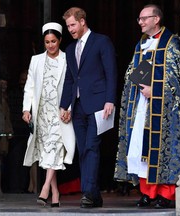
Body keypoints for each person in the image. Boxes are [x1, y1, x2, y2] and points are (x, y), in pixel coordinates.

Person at [114, 4, 180, 209]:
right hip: (141, 105)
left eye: (144, 18)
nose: (141, 22)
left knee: (161, 149)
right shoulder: (141, 44)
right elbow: (131, 74)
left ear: (156, 19)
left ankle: (165, 194)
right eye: (139, 19)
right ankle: (147, 192)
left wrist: (156, 92)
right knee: (140, 149)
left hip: (162, 107)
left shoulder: (172, 44)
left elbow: (177, 79)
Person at [60, 7, 118, 208]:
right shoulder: (69, 49)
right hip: (77, 108)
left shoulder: (102, 41)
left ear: (83, 21)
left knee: (92, 147)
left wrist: (110, 99)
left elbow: (111, 72)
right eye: (68, 26)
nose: (70, 29)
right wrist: (63, 105)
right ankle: (94, 194)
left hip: (98, 105)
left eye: (73, 25)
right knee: (83, 149)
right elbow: (70, 80)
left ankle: (87, 192)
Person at [22, 22, 76, 207]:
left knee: (54, 148)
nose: (50, 45)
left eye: (53, 41)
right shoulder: (36, 60)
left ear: (60, 40)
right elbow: (29, 86)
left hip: (60, 113)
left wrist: (68, 108)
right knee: (47, 153)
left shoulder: (68, 59)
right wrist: (26, 109)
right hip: (41, 113)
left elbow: (72, 86)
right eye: (47, 42)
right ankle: (55, 192)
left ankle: (45, 188)